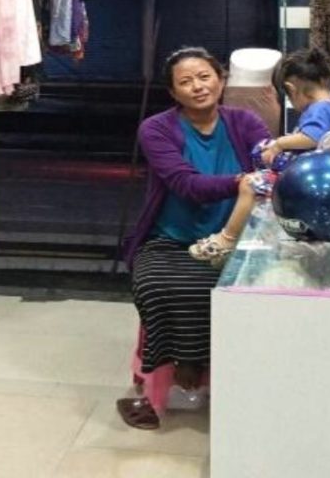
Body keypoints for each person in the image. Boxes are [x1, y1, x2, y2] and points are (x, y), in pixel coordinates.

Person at [118, 47, 269, 430]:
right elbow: (186, 184)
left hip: (235, 240)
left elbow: (270, 168)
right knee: (158, 285)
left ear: (221, 79)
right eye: (185, 82)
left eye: (204, 76)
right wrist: (241, 182)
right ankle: (184, 363)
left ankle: (210, 369)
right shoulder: (155, 128)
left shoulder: (245, 122)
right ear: (173, 92)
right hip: (170, 238)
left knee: (246, 292)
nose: (198, 87)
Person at [189, 47, 330, 265]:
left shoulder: (319, 109)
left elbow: (312, 138)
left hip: (312, 181)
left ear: (291, 89)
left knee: (251, 183)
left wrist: (279, 144)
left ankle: (226, 241)